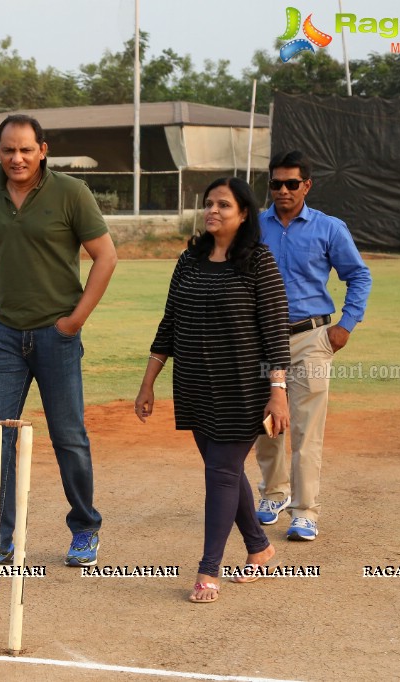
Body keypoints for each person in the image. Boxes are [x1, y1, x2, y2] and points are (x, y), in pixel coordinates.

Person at [0, 113, 117, 568]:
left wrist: (73, 322)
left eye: (26, 149)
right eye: (9, 149)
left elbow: (105, 257)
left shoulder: (71, 193)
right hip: (4, 338)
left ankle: (85, 528)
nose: (17, 158)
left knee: (69, 436)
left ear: (42, 151)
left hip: (57, 335)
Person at [135, 177, 290, 603]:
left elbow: (276, 333)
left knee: (220, 472)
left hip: (243, 388)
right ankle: (260, 548)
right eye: (209, 204)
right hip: (195, 386)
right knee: (227, 472)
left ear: (244, 214)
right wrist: (148, 381)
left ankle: (208, 570)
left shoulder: (259, 262)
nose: (213, 211)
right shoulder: (190, 260)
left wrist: (278, 391)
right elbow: (169, 323)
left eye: (224, 205)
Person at [254, 151, 373, 541]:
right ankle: (274, 494)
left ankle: (305, 511)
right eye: (276, 184)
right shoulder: (254, 228)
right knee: (267, 423)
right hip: (261, 340)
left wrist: (346, 326)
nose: (283, 191)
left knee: (306, 429)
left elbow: (358, 275)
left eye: (291, 183)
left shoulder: (329, 228)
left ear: (307, 185)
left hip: (311, 338)